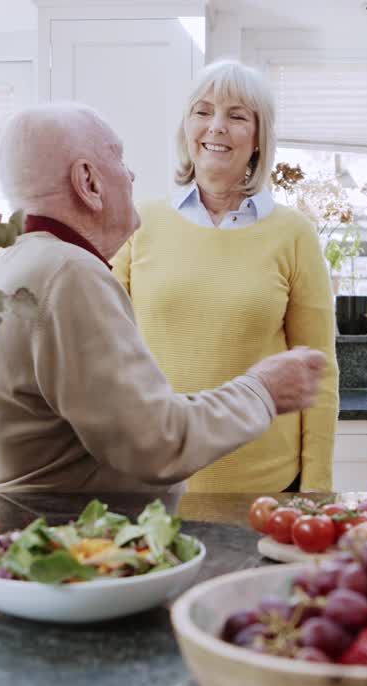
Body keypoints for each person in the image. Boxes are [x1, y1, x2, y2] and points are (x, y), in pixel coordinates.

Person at [0, 102, 327, 500]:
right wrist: (262, 390)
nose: (131, 174)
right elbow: (156, 443)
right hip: (81, 548)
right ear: (88, 182)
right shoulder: (72, 274)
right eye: (118, 158)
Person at [112, 59, 338, 494]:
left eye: (236, 116)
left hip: (270, 489)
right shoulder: (139, 222)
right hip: (153, 483)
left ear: (258, 139)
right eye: (203, 111)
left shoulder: (294, 234)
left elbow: (318, 373)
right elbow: (103, 351)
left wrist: (316, 491)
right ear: (187, 128)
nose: (216, 126)